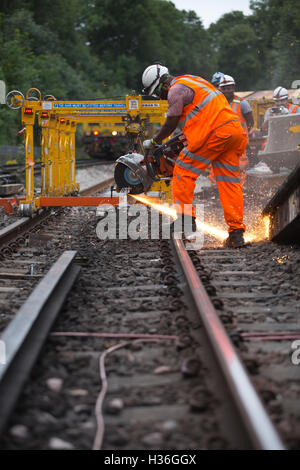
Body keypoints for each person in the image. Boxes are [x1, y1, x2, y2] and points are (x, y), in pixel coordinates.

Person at [142, 64, 248, 247]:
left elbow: (171, 122)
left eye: (158, 92)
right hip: (234, 132)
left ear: (161, 83)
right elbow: (201, 115)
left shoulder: (175, 89)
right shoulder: (192, 80)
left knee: (183, 169)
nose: (160, 97)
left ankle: (185, 219)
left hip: (215, 133)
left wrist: (153, 141)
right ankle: (236, 233)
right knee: (228, 181)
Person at [209, 74, 254, 186]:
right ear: (220, 89)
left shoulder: (242, 103)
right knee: (217, 169)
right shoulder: (217, 103)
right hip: (221, 142)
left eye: (229, 88)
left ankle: (239, 189)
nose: (227, 91)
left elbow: (250, 122)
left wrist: (243, 135)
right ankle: (217, 189)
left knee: (239, 168)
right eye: (224, 88)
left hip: (239, 144)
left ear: (233, 88)